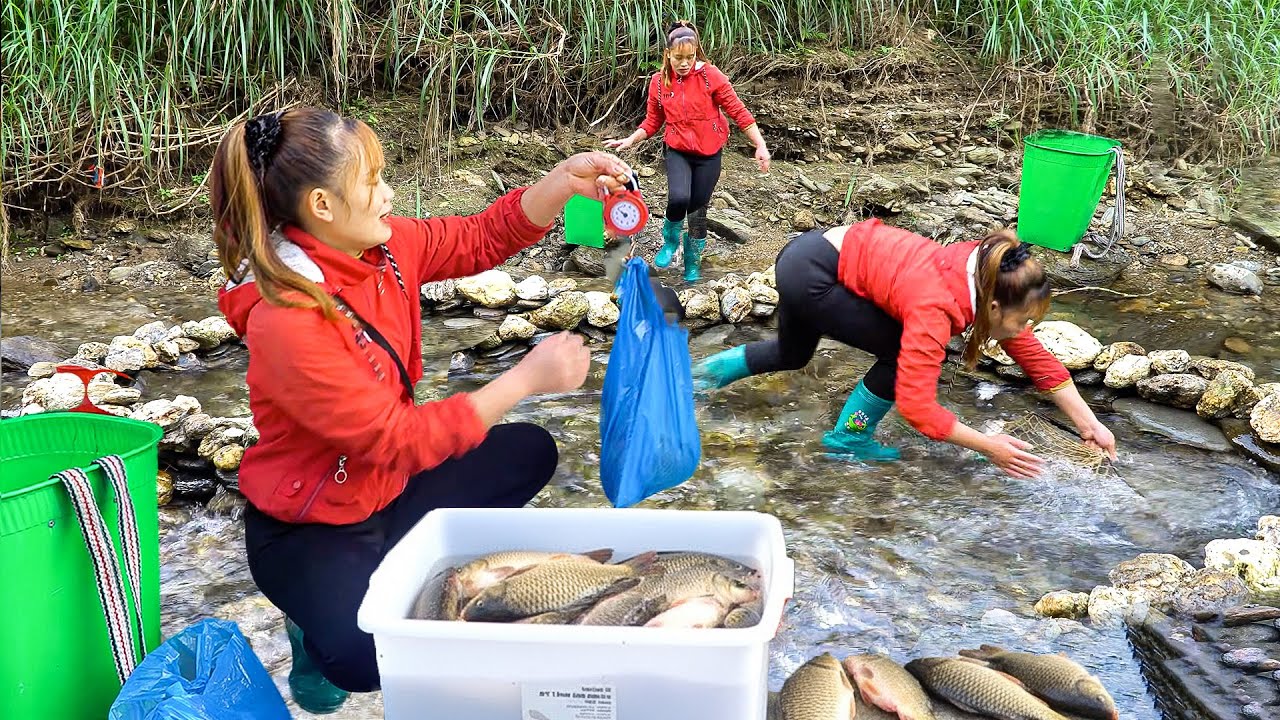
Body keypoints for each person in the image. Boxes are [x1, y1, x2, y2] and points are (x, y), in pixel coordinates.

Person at [210, 106, 634, 713]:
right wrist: (522, 378)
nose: (388, 194)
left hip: (386, 488)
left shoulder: (381, 249)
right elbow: (396, 440)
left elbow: (480, 237)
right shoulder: (289, 319)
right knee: (365, 658)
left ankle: (392, 572)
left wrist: (563, 181)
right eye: (373, 181)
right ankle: (310, 623)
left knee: (529, 451)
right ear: (323, 208)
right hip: (312, 525)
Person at [691, 220, 1118, 478]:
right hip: (817, 275)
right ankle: (849, 437)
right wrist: (990, 446)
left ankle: (698, 378)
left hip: (805, 256)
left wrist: (1089, 423)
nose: (1025, 329)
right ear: (992, 307)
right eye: (1023, 319)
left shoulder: (984, 273)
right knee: (901, 354)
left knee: (793, 354)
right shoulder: (937, 307)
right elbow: (916, 407)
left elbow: (1028, 351)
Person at [605, 19, 770, 282]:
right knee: (679, 198)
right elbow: (652, 121)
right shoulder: (659, 83)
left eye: (690, 57)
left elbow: (738, 112)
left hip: (709, 153)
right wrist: (630, 140)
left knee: (697, 210)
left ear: (696, 53)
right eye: (678, 58)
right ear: (667, 54)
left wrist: (759, 144)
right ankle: (670, 241)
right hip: (678, 149)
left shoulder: (710, 76)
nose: (684, 63)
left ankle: (693, 261)